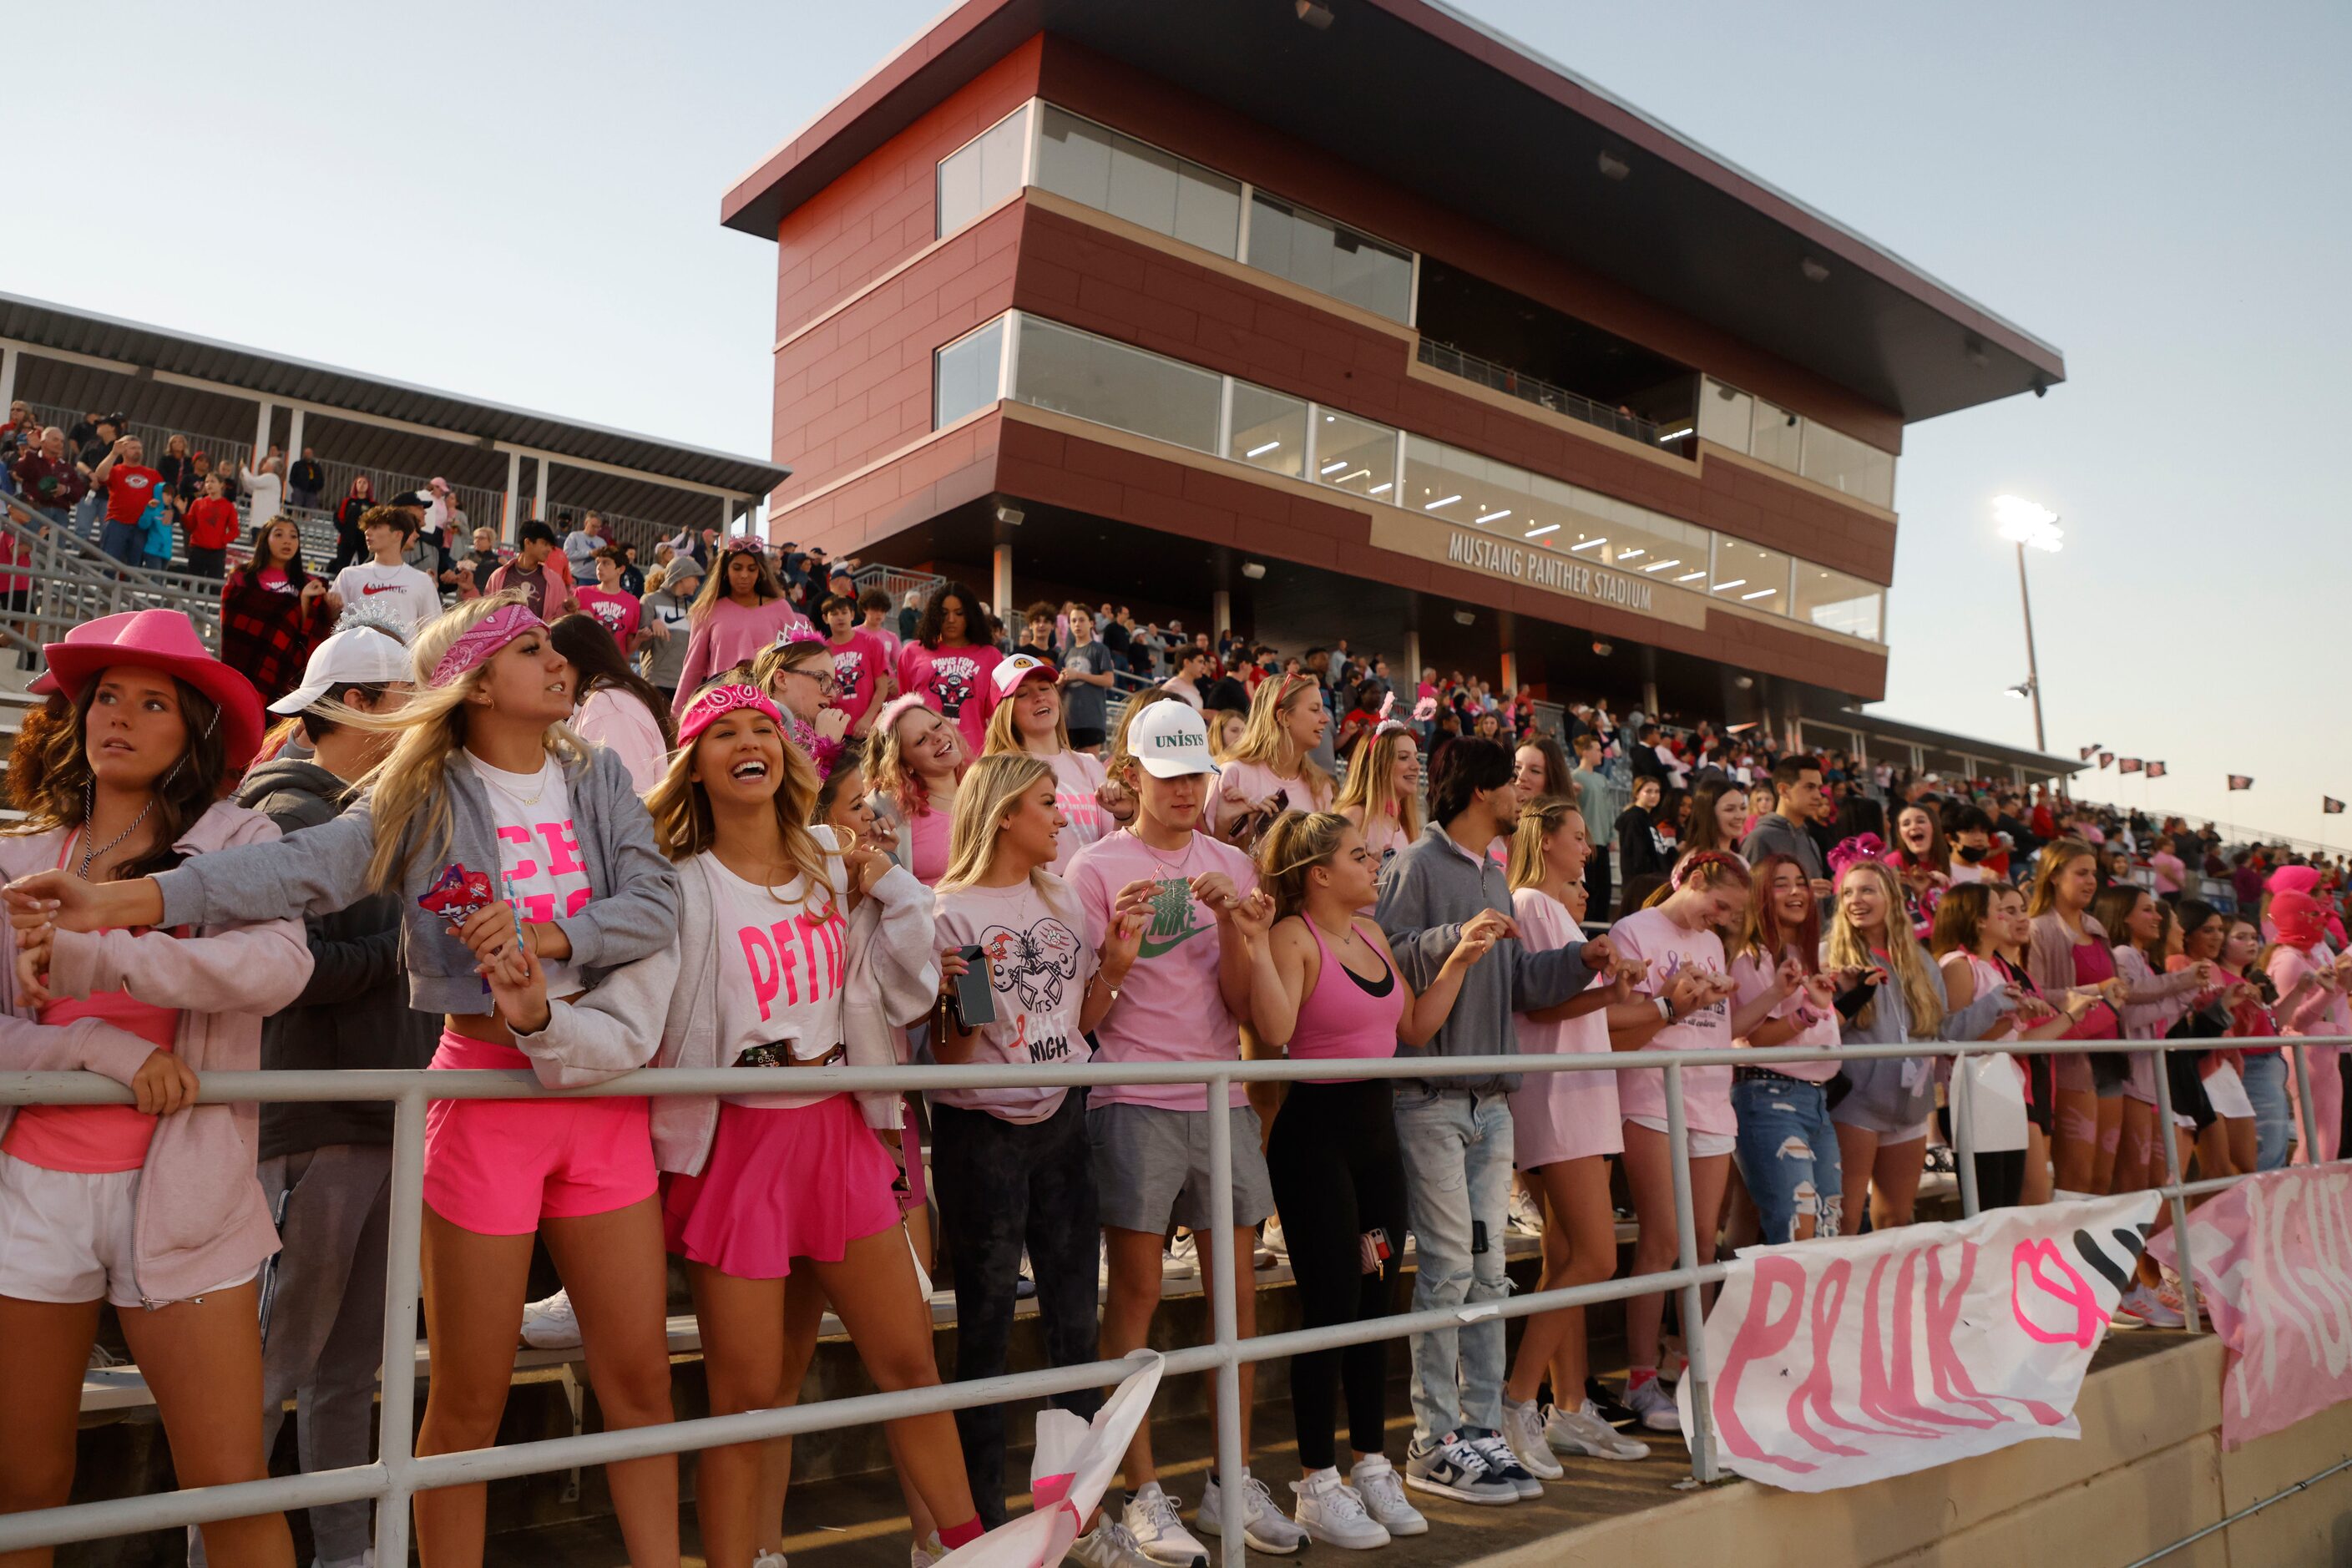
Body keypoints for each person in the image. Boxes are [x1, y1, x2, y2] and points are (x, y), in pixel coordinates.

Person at [8, 595, 688, 1566]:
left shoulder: (601, 769)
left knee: (645, 1387)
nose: (561, 660)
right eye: (530, 647)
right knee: (463, 1403)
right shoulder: (417, 792)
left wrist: (551, 935)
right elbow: (293, 874)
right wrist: (125, 900)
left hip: (598, 1088)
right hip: (483, 1085)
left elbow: (656, 900)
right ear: (479, 679)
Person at [500, 681, 983, 1567]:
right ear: (694, 765)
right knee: (753, 1398)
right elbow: (634, 1024)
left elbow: (916, 983)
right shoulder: (678, 889)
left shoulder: (836, 864)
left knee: (910, 1364)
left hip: (838, 1130)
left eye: (764, 727)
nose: (748, 742)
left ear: (787, 756)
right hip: (740, 1150)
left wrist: (896, 882)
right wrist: (540, 1023)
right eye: (724, 732)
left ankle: (963, 1550)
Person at [0, 609, 303, 1568]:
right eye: (105, 698)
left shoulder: (239, 838)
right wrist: (102, 1049)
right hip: (27, 1195)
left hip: (193, 1192)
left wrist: (105, 954)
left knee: (230, 1487)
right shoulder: (16, 856)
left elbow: (275, 970)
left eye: (153, 701)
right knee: (24, 1488)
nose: (118, 716)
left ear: (194, 730)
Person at [187, 627, 425, 1568]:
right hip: (313, 1119)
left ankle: (346, 1553)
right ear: (359, 707)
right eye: (401, 700)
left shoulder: (375, 813)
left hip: (372, 1115)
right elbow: (275, 971)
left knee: (346, 1374)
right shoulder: (287, 814)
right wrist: (396, 955)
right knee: (273, 1370)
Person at [1063, 701, 1311, 1558]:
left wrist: (1243, 932)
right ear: (1132, 774)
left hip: (1219, 1097)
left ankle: (1228, 1482)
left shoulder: (1231, 864)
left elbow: (1251, 1012)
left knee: (1234, 1306)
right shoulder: (1093, 867)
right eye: (1165, 773)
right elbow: (1085, 1015)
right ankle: (1141, 1492)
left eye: (1193, 772)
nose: (1181, 788)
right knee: (1133, 1298)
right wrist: (1119, 957)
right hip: (1130, 1097)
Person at [1241, 811, 1501, 1545]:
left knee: (1376, 1299)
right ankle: (1316, 1482)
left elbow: (1412, 1030)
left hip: (1375, 1138)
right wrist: (1255, 944)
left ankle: (1369, 1464)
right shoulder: (1295, 937)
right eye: (1360, 856)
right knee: (1328, 1308)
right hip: (1313, 1139)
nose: (1375, 864)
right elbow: (1275, 1030)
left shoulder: (1373, 935)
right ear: (1319, 874)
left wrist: (1457, 962)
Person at [1373, 737, 1611, 1502]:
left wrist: (1582, 963)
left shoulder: (1495, 874)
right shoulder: (1415, 864)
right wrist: (1458, 938)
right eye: (1510, 782)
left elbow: (1519, 985)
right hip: (1430, 1101)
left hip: (1490, 1105)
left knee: (1485, 1275)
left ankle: (1478, 1433)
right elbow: (1384, 958)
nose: (1521, 794)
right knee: (1445, 1274)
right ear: (1479, 791)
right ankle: (1432, 1438)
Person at [927, 753, 1137, 1545]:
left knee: (1074, 1331)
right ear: (1006, 813)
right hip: (980, 1133)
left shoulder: (1061, 898)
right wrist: (955, 1003)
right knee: (982, 1334)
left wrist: (1114, 965)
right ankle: (983, 1531)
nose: (1062, 816)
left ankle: (1076, 1522)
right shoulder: (947, 912)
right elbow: (951, 1058)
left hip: (1063, 1120)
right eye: (1048, 803)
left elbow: (1081, 1022)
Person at [1496, 798, 1649, 1469]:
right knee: (1594, 1258)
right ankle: (1516, 1401)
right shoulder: (1532, 903)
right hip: (1555, 1094)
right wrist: (1603, 986)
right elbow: (1534, 1000)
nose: (1587, 851)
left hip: (1579, 1089)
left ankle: (1564, 1407)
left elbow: (1561, 1005)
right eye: (1577, 838)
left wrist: (1610, 992)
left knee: (1568, 1259)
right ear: (1546, 841)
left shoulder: (1548, 907)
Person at [1596, 850, 1749, 1430]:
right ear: (1688, 881)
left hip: (1710, 1095)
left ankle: (1694, 1371)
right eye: (1719, 906)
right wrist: (1671, 1001)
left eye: (1732, 914)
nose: (1722, 920)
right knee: (1660, 1241)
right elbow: (1619, 1023)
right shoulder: (1633, 930)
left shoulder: (1711, 944)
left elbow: (1719, 1026)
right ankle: (1639, 1377)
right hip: (1651, 1091)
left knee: (1701, 1246)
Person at [1826, 856, 2014, 1233]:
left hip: (1911, 1108)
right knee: (1845, 1218)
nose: (1855, 900)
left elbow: (1942, 1031)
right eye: (1848, 893)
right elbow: (1822, 1032)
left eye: (1867, 890)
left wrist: (1995, 1003)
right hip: (1855, 1106)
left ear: (1892, 899)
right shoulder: (1829, 955)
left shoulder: (1922, 962)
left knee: (1896, 1219)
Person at [1930, 883, 2081, 1213]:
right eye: (2000, 908)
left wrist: (2071, 1016)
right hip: (1972, 1095)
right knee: (1987, 1206)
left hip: (2004, 1090)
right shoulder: (1958, 964)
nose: (2008, 916)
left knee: (2007, 1206)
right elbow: (1953, 1039)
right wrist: (2008, 1016)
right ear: (1980, 920)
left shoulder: (1996, 969)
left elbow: (2013, 1043)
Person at [1726, 853, 1846, 1244]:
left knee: (1827, 1225)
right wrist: (1810, 1012)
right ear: (1761, 893)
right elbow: (1754, 1039)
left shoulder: (1807, 956)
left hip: (1815, 1102)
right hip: (1767, 1097)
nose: (1796, 891)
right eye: (1781, 883)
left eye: (1801, 882)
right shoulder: (1751, 956)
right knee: (1798, 1230)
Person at [2026, 837, 2131, 1197]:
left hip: (2111, 1059)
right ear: (2054, 876)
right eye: (2081, 873)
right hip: (2072, 1061)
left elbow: (2120, 991)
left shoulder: (2098, 928)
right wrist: (2096, 990)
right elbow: (2034, 995)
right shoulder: (2038, 929)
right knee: (2076, 1182)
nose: (2090, 882)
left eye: (2094, 874)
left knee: (2103, 1182)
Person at [982, 655, 1115, 875]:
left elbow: (1111, 843)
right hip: (1039, 900)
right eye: (1023, 694)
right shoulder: (1001, 771)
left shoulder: (1089, 765)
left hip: (1094, 897)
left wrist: (1124, 815)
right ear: (1006, 713)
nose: (1038, 698)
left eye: (1045, 688)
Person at [675, 540, 815, 715]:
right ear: (725, 571)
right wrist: (676, 714)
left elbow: (795, 662)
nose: (744, 575)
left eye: (751, 569)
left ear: (760, 572)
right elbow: (693, 667)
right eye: (737, 567)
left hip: (768, 707)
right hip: (720, 706)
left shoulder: (780, 608)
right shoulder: (706, 610)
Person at [550, 614, 676, 794]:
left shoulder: (609, 709)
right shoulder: (607, 703)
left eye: (556, 665)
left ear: (580, 660)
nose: (548, 676)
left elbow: (631, 802)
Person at [1211, 672, 1333, 848]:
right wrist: (1230, 827)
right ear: (1283, 717)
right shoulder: (1233, 774)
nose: (1326, 719)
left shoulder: (1319, 785)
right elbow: (1207, 857)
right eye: (1315, 709)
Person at [219, 515, 330, 707]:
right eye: (279, 535)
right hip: (244, 664)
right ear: (265, 539)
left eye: (293, 536)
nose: (287, 541)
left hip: (286, 672)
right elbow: (231, 629)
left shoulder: (311, 583)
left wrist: (305, 601)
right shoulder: (241, 577)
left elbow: (308, 636)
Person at [867, 695, 969, 887]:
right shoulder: (888, 812)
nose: (937, 737)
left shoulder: (986, 788)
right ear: (905, 764)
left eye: (937, 726)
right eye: (921, 740)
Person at [894, 581, 1003, 756]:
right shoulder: (912, 652)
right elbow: (905, 712)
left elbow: (998, 716)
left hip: (973, 760)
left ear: (970, 615)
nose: (951, 619)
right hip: (924, 761)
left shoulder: (991, 656)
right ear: (934, 616)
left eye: (959, 613)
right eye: (944, 613)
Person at [324, 504, 442, 635]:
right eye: (367, 527)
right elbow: (333, 630)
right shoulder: (348, 575)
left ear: (397, 535)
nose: (367, 532)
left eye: (376, 527)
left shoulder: (423, 581)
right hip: (355, 654)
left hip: (403, 655)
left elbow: (433, 634)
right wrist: (332, 613)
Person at [1334, 715, 1422, 878]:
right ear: (1380, 764)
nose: (1416, 766)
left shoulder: (1404, 825)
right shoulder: (1356, 816)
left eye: (1416, 757)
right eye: (1404, 757)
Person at [1738, 756, 1834, 898]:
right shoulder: (1759, 839)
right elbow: (1749, 898)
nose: (1817, 796)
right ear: (1783, 790)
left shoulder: (1811, 842)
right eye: (1809, 787)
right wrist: (1800, 892)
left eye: (1818, 788)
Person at [821, 592, 893, 736]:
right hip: (837, 731)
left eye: (844, 612)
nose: (840, 617)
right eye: (834, 614)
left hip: (870, 728)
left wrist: (868, 718)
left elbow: (882, 687)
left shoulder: (871, 643)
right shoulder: (822, 652)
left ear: (852, 615)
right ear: (825, 618)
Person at [90, 434, 166, 567]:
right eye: (133, 448)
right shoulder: (116, 470)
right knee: (109, 563)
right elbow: (100, 475)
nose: (137, 451)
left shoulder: (153, 474)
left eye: (139, 448)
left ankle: (128, 588)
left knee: (134, 565)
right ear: (123, 450)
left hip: (142, 526)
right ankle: (107, 588)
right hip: (117, 523)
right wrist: (113, 454)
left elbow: (164, 497)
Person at [484, 519, 580, 624]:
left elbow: (559, 623)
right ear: (528, 543)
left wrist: (567, 609)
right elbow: (486, 613)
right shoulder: (498, 576)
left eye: (550, 546)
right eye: (545, 544)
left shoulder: (555, 582)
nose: (549, 549)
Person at [637, 559, 701, 708]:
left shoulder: (693, 608)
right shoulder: (649, 600)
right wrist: (651, 627)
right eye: (695, 578)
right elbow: (642, 646)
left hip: (685, 685)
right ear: (682, 576)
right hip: (656, 682)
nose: (698, 583)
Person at [1058, 605, 1117, 753]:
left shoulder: (1100, 649)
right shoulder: (1064, 655)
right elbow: (1057, 692)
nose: (1077, 624)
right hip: (1068, 721)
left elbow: (1109, 681)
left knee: (1091, 770)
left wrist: (1078, 675)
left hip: (1092, 719)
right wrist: (1061, 681)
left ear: (1091, 623)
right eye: (1073, 621)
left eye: (1082, 620)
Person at [575, 546, 645, 651]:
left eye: (606, 563)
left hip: (614, 665)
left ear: (620, 569)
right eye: (598, 562)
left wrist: (639, 639)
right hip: (585, 662)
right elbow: (567, 630)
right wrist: (576, 615)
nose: (599, 567)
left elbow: (628, 649)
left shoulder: (633, 602)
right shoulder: (581, 593)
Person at [1611, 775, 1672, 892]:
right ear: (1637, 793)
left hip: (1654, 881)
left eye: (1657, 791)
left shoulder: (1647, 818)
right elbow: (1637, 855)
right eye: (1648, 791)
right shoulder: (1633, 818)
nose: (1654, 795)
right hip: (1641, 885)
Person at [180, 470, 242, 579]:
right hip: (197, 549)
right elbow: (190, 526)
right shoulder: (197, 503)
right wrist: (183, 513)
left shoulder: (228, 506)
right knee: (193, 584)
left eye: (213, 481)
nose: (209, 484)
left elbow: (235, 530)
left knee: (214, 586)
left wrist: (222, 541)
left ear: (221, 485)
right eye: (207, 482)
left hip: (217, 552)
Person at [1677, 777, 1750, 862]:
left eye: (1743, 808)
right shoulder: (1696, 862)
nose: (1739, 816)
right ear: (1709, 814)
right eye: (1729, 809)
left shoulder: (1740, 860)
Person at [328, 476, 374, 574]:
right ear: (355, 485)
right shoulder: (347, 502)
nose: (362, 485)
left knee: (364, 568)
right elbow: (338, 517)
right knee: (342, 567)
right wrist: (344, 531)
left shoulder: (373, 504)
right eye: (359, 482)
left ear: (368, 486)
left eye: (364, 483)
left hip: (365, 541)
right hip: (347, 540)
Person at [239, 451, 286, 528]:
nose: (263, 464)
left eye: (266, 462)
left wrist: (244, 468)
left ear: (271, 466)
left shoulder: (271, 477)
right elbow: (249, 489)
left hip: (263, 524)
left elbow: (251, 481)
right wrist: (243, 476)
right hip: (260, 523)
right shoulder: (268, 480)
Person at [561, 511, 605, 577]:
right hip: (577, 576)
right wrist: (589, 553)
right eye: (593, 526)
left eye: (598, 527)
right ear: (586, 523)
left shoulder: (602, 542)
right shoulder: (574, 536)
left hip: (595, 578)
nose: (596, 529)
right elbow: (567, 555)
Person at [286, 448, 326, 512]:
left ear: (312, 455)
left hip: (312, 490)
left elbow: (321, 479)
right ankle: (295, 516)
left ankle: (308, 519)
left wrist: (317, 488)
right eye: (306, 453)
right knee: (296, 505)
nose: (308, 455)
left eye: (309, 453)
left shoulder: (316, 467)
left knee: (310, 508)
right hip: (299, 488)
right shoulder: (298, 464)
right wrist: (295, 487)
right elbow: (292, 477)